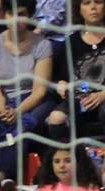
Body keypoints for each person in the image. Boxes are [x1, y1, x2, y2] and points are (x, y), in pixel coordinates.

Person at [0, 0, 53, 189]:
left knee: (23, 126)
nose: (16, 19)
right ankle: (1, 177)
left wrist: (17, 111)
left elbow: (40, 91)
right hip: (4, 101)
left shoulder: (43, 45)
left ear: (28, 16)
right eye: (11, 14)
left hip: (33, 100)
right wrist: (4, 109)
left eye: (21, 13)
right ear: (4, 15)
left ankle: (7, 175)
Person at [46, 0, 105, 143]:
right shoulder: (70, 43)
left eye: (98, 2)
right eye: (86, 3)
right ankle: (69, 160)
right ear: (79, 9)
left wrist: (103, 94)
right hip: (79, 99)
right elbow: (54, 78)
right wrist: (60, 84)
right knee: (56, 118)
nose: (93, 7)